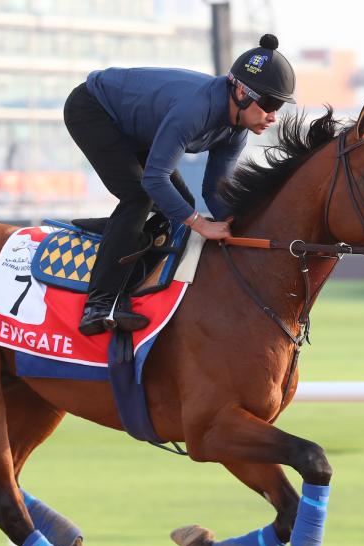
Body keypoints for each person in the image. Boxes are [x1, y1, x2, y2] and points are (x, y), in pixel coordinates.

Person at [63, 34, 297, 335]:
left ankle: (121, 246)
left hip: (135, 130)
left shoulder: (237, 130)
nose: (274, 116)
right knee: (139, 197)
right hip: (93, 110)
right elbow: (155, 179)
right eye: (269, 103)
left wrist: (241, 225)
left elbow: (214, 190)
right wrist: (202, 224)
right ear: (240, 91)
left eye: (279, 105)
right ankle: (100, 303)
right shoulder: (195, 110)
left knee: (178, 204)